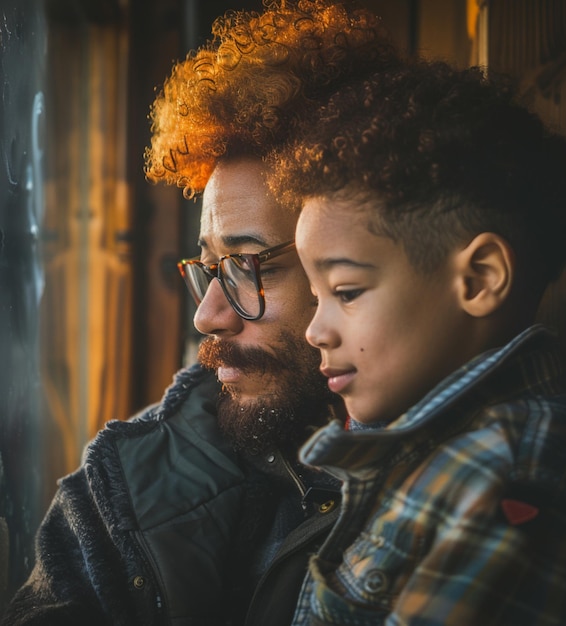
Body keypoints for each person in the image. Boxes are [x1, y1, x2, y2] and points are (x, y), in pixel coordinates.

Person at [1, 2, 398, 624]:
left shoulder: (465, 485)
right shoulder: (123, 486)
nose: (208, 317)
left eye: (249, 264)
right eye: (210, 266)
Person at [271, 60, 566, 624]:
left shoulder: (510, 474)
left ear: (479, 278)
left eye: (347, 291)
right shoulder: (427, 447)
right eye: (316, 298)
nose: (316, 330)